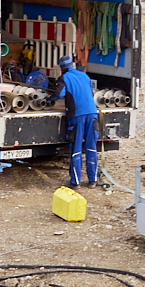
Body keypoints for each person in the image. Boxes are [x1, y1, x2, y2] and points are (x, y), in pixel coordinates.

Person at [53, 56, 98, 188]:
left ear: (62, 69)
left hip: (77, 116)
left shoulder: (64, 78)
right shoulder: (84, 76)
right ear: (72, 65)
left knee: (76, 148)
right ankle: (92, 180)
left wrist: (49, 98)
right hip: (92, 113)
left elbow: (58, 94)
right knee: (91, 147)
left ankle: (76, 182)